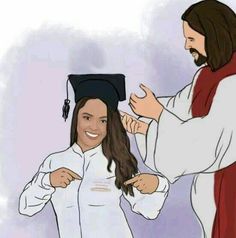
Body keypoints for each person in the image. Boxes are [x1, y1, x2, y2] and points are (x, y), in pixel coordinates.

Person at [122, 1, 236, 237]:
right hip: (212, 200)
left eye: (192, 39)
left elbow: (209, 142)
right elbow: (178, 110)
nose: (186, 46)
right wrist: (145, 127)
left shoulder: (232, 82)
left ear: (213, 36)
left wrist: (156, 114)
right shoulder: (206, 75)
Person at [19, 74, 169, 238]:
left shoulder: (116, 162)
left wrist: (158, 185)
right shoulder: (55, 162)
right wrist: (48, 181)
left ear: (109, 124)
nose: (94, 127)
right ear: (76, 117)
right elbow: (26, 207)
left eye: (103, 121)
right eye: (87, 117)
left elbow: (148, 210)